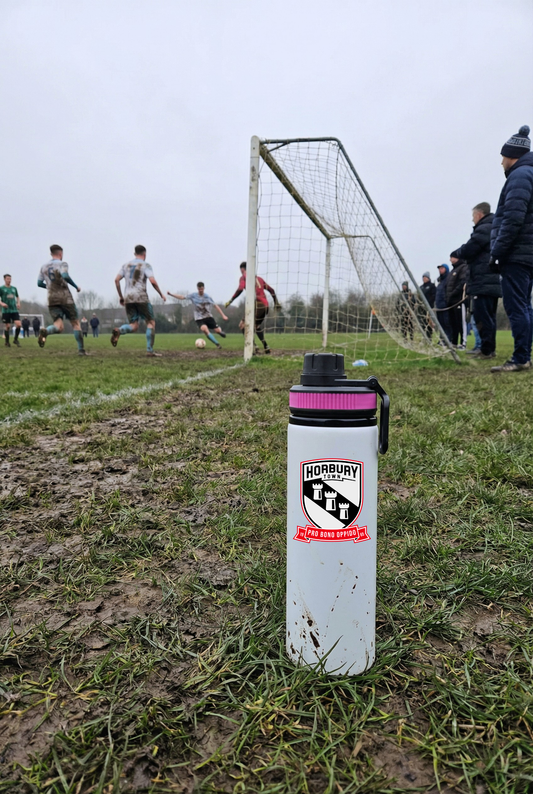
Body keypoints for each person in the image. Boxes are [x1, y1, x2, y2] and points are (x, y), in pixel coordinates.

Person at [489, 125, 533, 373]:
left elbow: (513, 219)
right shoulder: (528, 174)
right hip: (526, 254)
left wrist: (497, 252)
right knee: (525, 306)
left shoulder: (520, 176)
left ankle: (520, 358)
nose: (502, 162)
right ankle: (524, 356)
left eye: (503, 157)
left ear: (512, 155)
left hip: (517, 254)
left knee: (517, 307)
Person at [450, 202, 500, 359]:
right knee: (489, 317)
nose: (472, 220)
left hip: (483, 281)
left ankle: (486, 350)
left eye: (473, 216)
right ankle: (489, 348)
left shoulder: (484, 229)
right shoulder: (493, 226)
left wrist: (457, 252)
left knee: (482, 317)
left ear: (479, 214)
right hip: (490, 281)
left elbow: (470, 248)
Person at [111, 245, 166, 357]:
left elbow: (116, 280)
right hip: (141, 297)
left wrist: (121, 296)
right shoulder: (146, 265)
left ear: (134, 253)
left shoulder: (125, 265)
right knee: (150, 322)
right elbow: (153, 281)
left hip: (128, 298)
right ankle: (149, 351)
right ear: (144, 254)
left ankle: (120, 330)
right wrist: (161, 294)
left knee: (134, 325)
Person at [37, 245, 86, 355]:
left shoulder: (43, 267)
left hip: (51, 299)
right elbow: (65, 275)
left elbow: (39, 283)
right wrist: (76, 286)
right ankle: (81, 350)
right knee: (75, 324)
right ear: (60, 254)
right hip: (65, 298)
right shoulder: (62, 264)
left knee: (58, 326)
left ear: (51, 253)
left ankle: (46, 331)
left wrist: (49, 287)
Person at [225, 262, 281, 354]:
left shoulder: (244, 277)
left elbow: (240, 288)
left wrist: (231, 300)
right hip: (265, 306)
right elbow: (272, 290)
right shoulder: (259, 279)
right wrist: (276, 303)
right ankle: (266, 346)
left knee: (242, 325)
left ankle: (253, 346)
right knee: (256, 326)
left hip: (257, 305)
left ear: (243, 269)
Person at [167, 282, 228, 347]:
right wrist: (171, 294)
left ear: (204, 288)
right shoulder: (193, 295)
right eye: (199, 289)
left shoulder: (207, 297)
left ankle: (220, 332)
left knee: (217, 330)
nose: (200, 290)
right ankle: (217, 344)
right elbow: (182, 297)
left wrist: (223, 315)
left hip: (208, 316)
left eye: (202, 289)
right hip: (199, 318)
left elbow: (215, 306)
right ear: (197, 289)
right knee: (205, 329)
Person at [446, 257, 468, 348]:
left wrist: (454, 293)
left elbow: (462, 283)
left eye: (452, 257)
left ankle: (463, 342)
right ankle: (454, 342)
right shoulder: (452, 271)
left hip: (459, 300)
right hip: (451, 301)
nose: (450, 259)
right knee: (453, 323)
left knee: (461, 322)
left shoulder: (463, 268)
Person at [0, 274, 22, 347]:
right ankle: (7, 342)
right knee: (8, 326)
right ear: (4, 279)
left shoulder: (14, 288)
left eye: (10, 279)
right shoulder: (1, 288)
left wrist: (18, 303)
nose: (9, 280)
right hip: (6, 311)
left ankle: (15, 339)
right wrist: (2, 303)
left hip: (14, 310)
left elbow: (17, 296)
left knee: (19, 324)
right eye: (7, 279)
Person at [435, 264, 452, 343]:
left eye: (442, 268)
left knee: (447, 323)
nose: (440, 270)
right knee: (441, 324)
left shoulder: (448, 279)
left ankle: (448, 339)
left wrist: (446, 302)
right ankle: (441, 339)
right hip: (439, 306)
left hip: (445, 306)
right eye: (439, 268)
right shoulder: (440, 281)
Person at [418, 271, 436, 339]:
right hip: (421, 308)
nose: (424, 279)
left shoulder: (432, 286)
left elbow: (434, 296)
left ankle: (429, 337)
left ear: (428, 278)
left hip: (429, 307)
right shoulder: (421, 287)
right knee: (423, 322)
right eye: (423, 277)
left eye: (425, 277)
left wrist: (428, 303)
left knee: (429, 322)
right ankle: (424, 336)